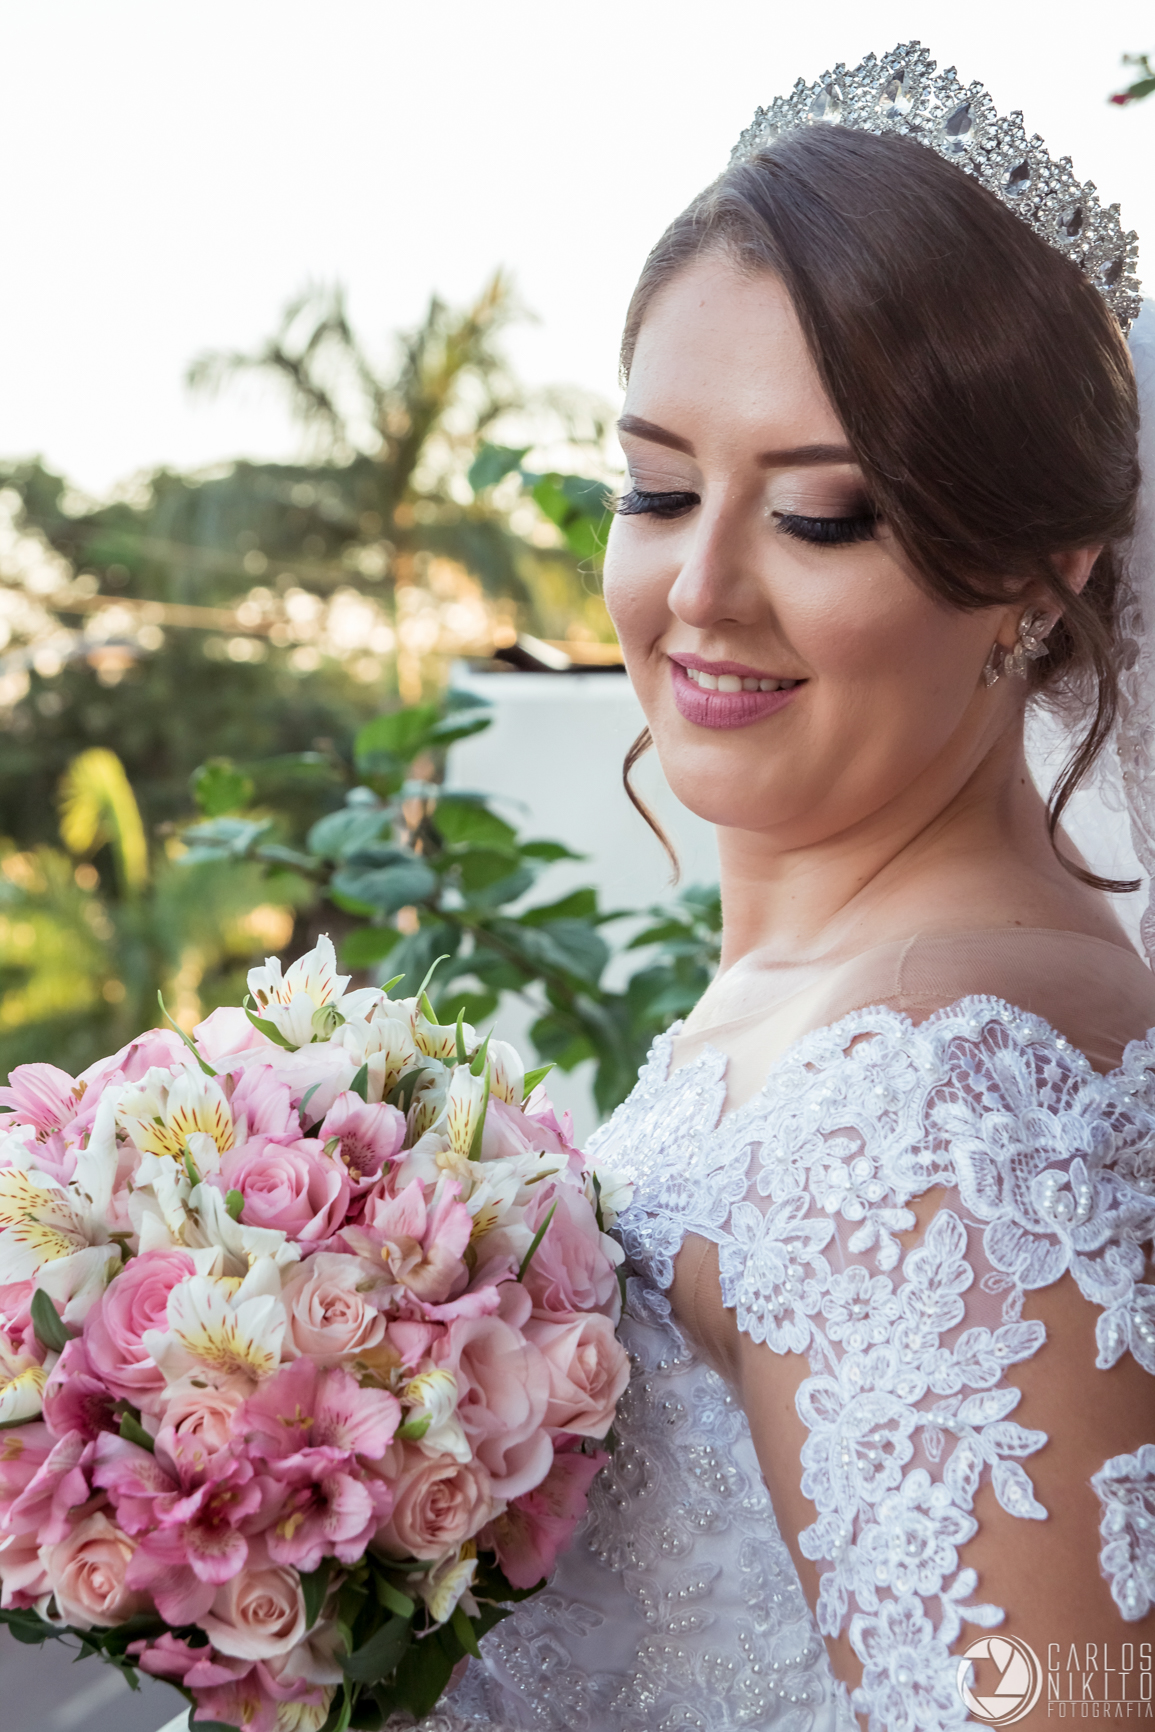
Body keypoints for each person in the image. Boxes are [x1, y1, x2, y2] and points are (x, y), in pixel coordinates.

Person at [441, 43, 1155, 1732]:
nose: (699, 589)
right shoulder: (872, 1001)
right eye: (658, 489)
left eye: (822, 517)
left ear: (1037, 579)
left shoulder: (926, 1091)